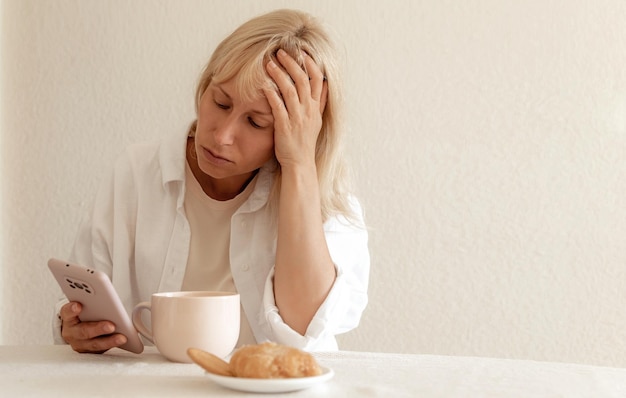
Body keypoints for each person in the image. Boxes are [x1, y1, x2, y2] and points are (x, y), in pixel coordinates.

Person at [52, 8, 369, 354]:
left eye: (256, 122)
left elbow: (305, 330)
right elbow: (82, 299)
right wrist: (73, 327)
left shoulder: (325, 196)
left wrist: (299, 165)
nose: (222, 136)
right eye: (220, 102)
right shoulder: (137, 173)